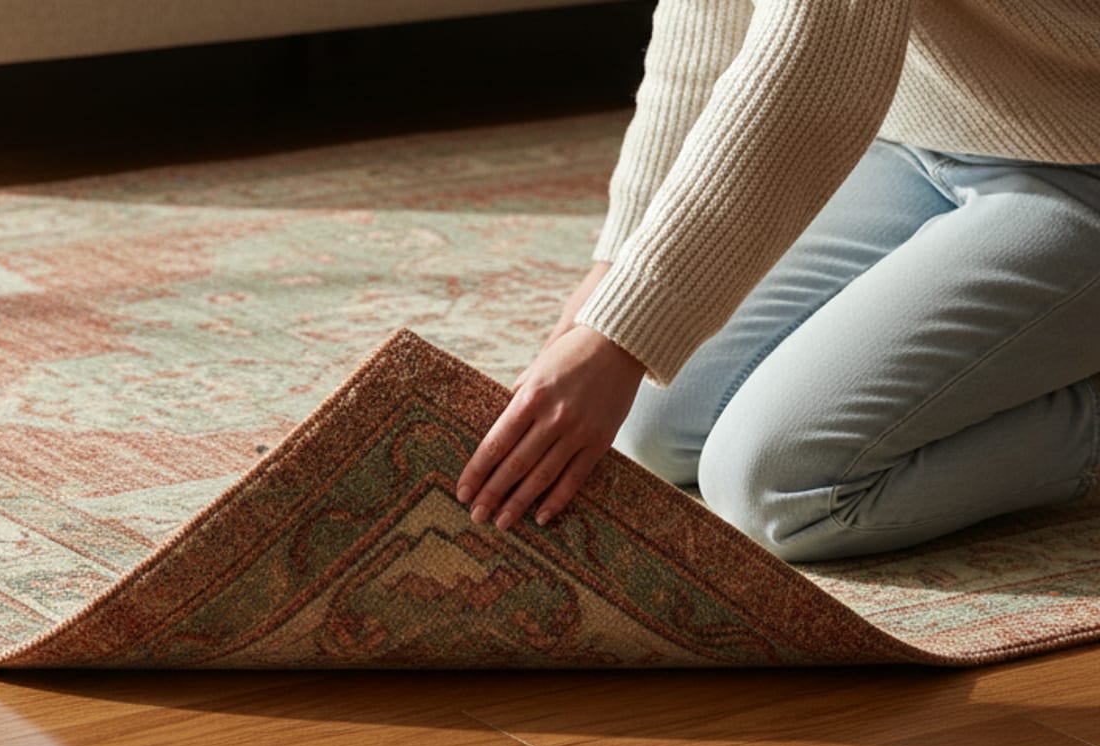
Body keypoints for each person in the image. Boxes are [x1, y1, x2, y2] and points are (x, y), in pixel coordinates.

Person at [455, 0, 1100, 563]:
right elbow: (706, 22)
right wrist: (619, 267)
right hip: (918, 142)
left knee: (780, 489)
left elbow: (814, 72)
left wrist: (623, 339)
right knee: (655, 423)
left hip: (1084, 161)